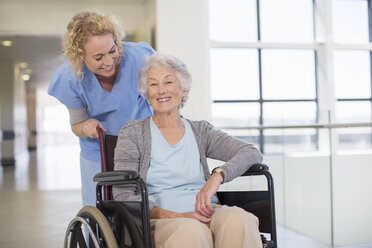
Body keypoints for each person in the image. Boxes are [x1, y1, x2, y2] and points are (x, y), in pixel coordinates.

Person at [113, 53, 263, 248]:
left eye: (168, 82)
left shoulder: (201, 131)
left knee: (241, 220)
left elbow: (251, 152)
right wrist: (176, 215)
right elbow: (122, 194)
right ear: (146, 93)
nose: (161, 90)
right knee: (192, 231)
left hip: (207, 211)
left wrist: (217, 177)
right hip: (160, 220)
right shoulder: (133, 133)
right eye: (153, 84)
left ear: (184, 90)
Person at [48, 11, 154, 208]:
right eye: (98, 57)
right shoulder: (71, 77)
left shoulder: (139, 58)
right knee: (101, 207)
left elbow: (161, 92)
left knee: (147, 202)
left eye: (112, 50)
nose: (109, 61)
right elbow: (77, 125)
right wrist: (86, 126)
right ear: (80, 56)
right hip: (99, 149)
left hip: (140, 141)